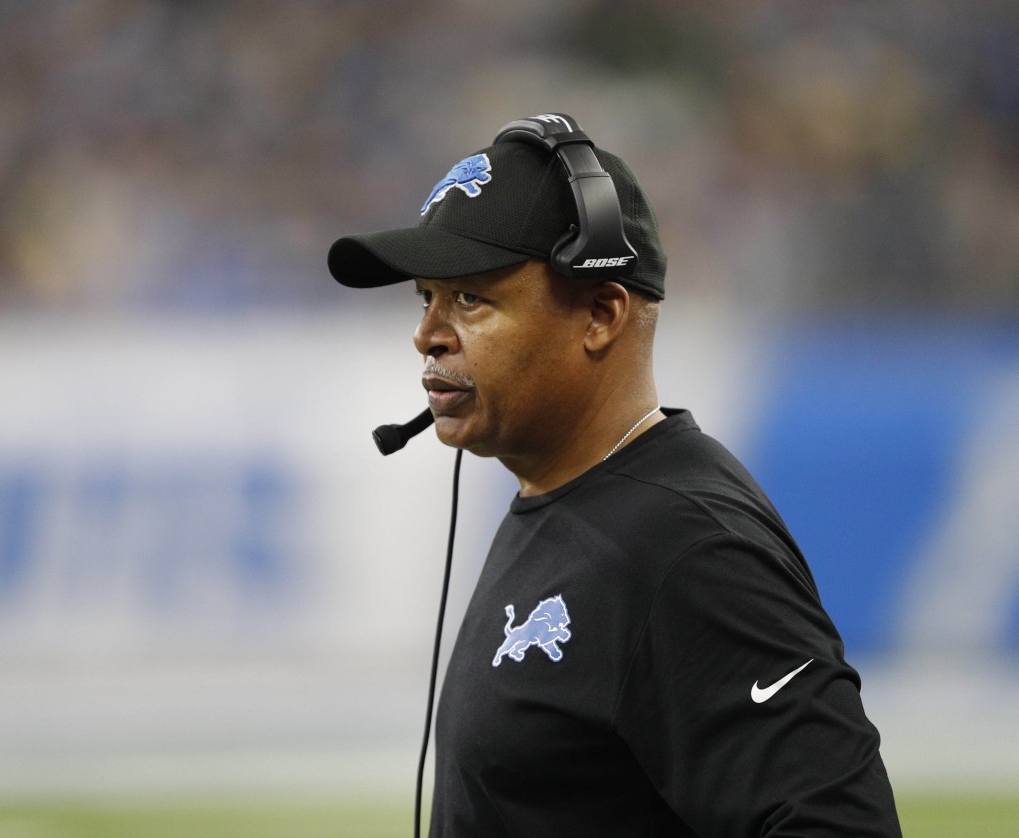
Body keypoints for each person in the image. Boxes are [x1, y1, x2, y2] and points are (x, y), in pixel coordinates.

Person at [326, 114, 901, 837]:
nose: (428, 333)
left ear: (601, 313)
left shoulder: (691, 550)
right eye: (426, 297)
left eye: (470, 298)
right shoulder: (566, 498)